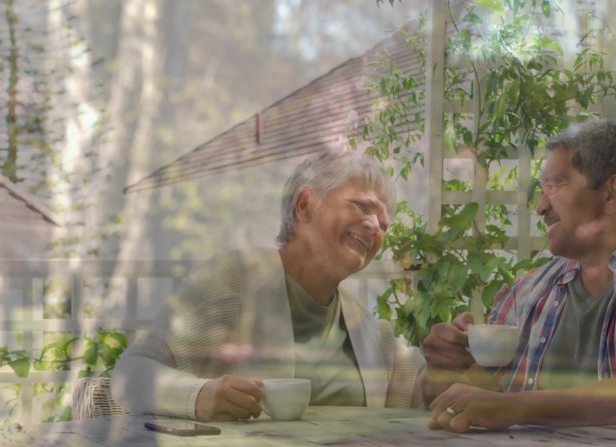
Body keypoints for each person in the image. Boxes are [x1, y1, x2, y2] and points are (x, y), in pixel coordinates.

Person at [421, 118, 616, 442]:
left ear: (611, 194)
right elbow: (459, 398)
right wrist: (443, 368)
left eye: (554, 186)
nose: (541, 207)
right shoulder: (528, 291)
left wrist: (513, 407)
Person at [113, 150, 424, 421]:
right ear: (305, 205)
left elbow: (421, 387)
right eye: (361, 207)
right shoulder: (233, 281)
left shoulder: (363, 325)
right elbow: (131, 373)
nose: (374, 227)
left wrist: (455, 354)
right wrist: (200, 397)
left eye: (384, 224)